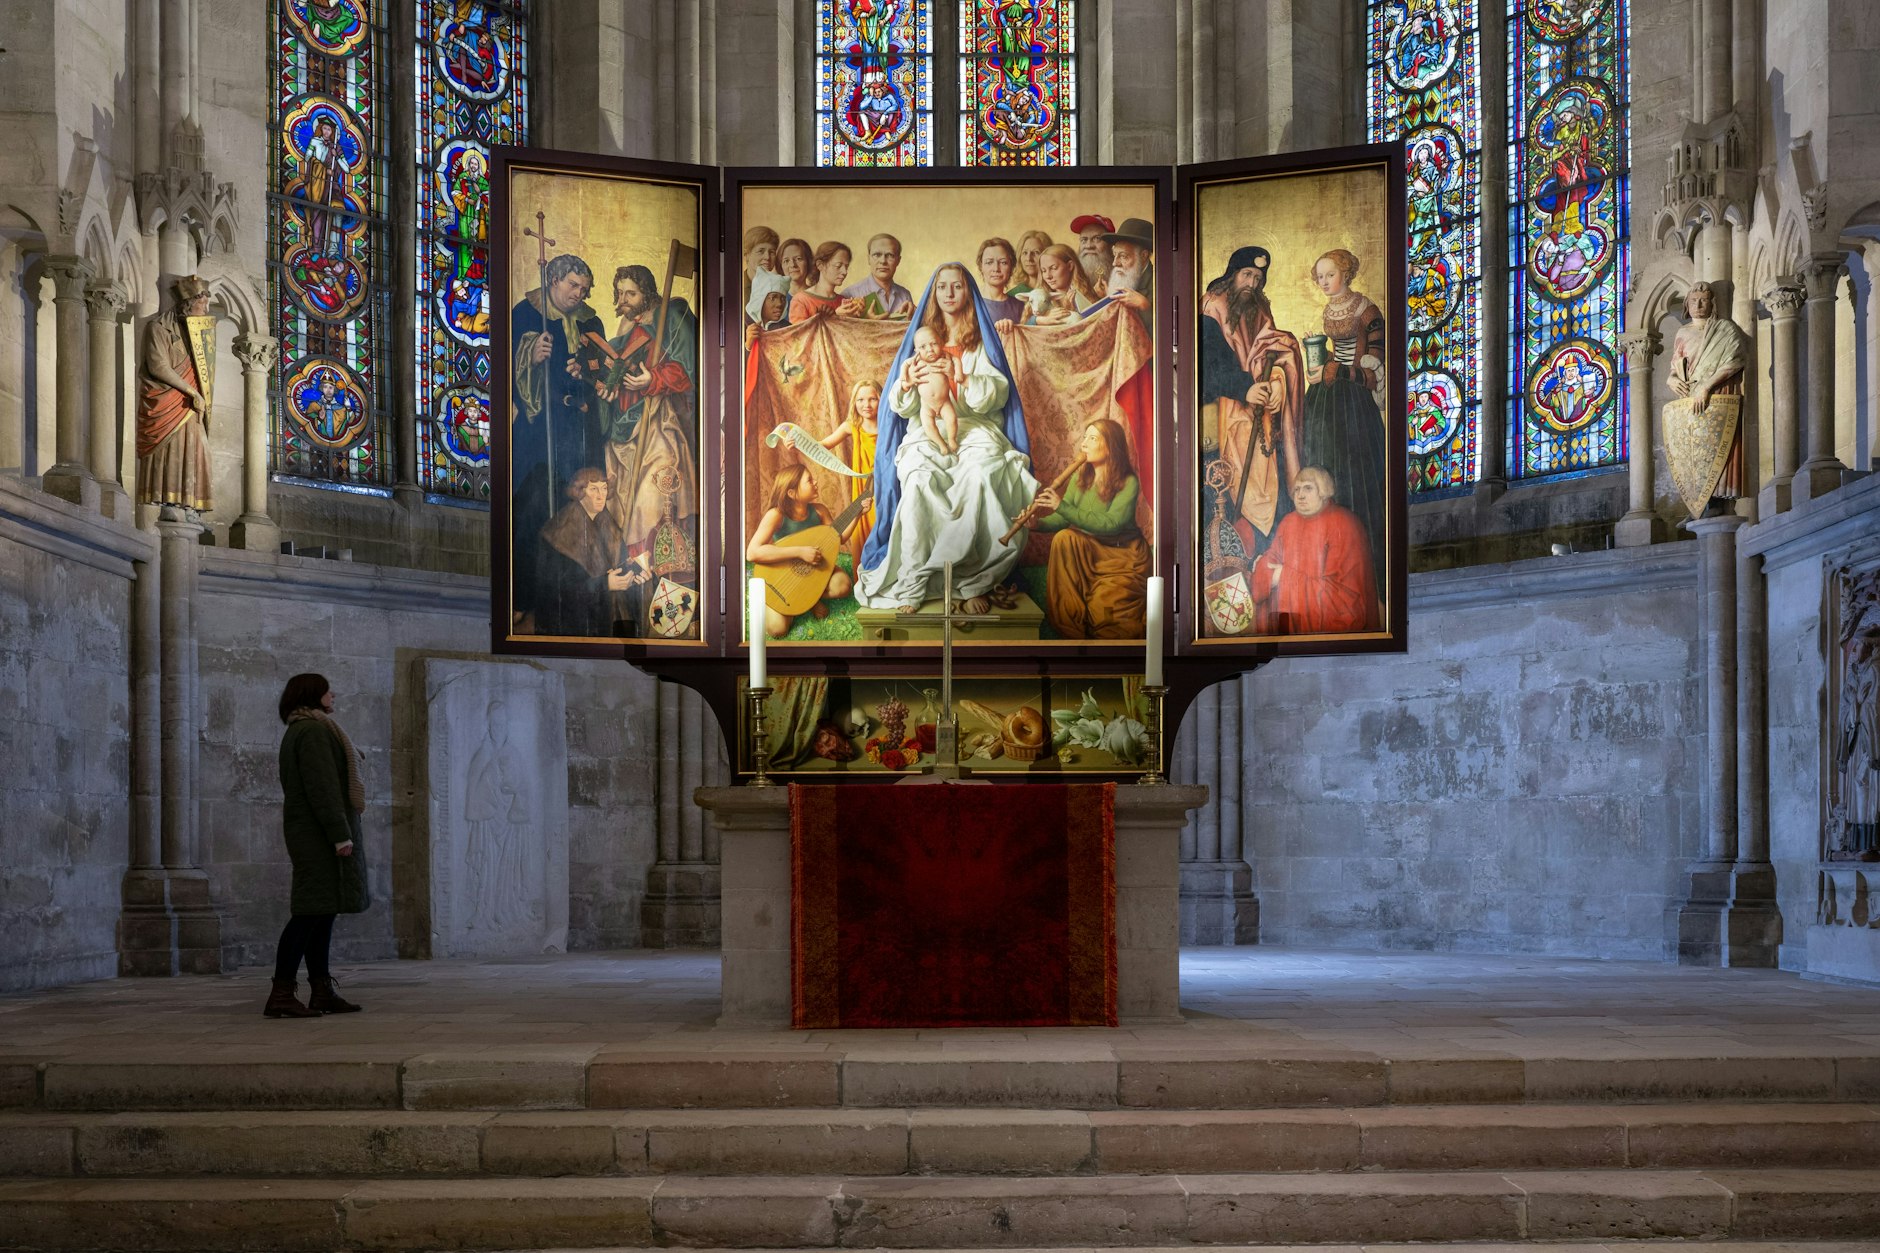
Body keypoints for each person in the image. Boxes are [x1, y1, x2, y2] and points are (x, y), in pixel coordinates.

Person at [856, 263, 1040, 615]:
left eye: (957, 286)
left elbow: (997, 396)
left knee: (982, 474)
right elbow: (901, 404)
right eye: (943, 287)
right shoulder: (921, 339)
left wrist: (964, 379)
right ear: (934, 292)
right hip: (926, 430)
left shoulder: (981, 343)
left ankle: (972, 581)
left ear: (967, 292)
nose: (950, 293)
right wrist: (909, 385)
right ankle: (914, 581)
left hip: (973, 427)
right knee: (919, 479)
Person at [595, 264, 699, 625]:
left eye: (631, 294)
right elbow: (616, 371)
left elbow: (688, 370)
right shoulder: (629, 331)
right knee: (622, 515)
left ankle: (671, 615)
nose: (623, 301)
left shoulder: (673, 317)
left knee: (653, 510)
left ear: (648, 293)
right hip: (625, 435)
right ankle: (639, 612)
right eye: (620, 293)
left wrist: (652, 379)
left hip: (661, 428)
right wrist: (607, 386)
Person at [511, 253, 605, 629]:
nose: (579, 295)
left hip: (577, 430)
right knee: (533, 507)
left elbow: (602, 369)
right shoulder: (525, 313)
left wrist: (586, 368)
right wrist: (530, 358)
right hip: (539, 432)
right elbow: (505, 374)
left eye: (584, 289)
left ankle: (572, 604)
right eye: (572, 286)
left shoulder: (591, 321)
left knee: (577, 513)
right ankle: (524, 598)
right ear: (552, 280)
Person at [268, 673, 368, 1019]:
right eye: (328, 689)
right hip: (317, 836)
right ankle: (281, 993)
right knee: (308, 913)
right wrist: (340, 835)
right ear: (313, 694)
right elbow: (322, 788)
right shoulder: (311, 731)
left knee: (322, 911)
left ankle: (322, 990)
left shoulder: (309, 728)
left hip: (314, 833)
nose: (333, 693)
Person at [1199, 244, 1303, 565]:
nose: (1252, 284)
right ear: (1232, 275)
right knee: (1222, 495)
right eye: (1247, 275)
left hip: (1258, 415)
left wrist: (1274, 388)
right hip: (1219, 417)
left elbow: (1271, 354)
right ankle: (1231, 560)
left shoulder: (1259, 312)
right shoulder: (1211, 309)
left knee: (1270, 472)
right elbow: (1209, 366)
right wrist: (1246, 389)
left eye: (1259, 278)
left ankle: (1265, 556)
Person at [1300, 248, 1387, 601]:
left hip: (1354, 405)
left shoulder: (1368, 311)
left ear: (1346, 274)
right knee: (1324, 465)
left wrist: (1338, 370)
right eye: (1319, 276)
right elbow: (1334, 354)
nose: (1323, 282)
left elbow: (1372, 371)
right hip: (1327, 397)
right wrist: (1319, 364)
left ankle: (1367, 571)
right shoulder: (1328, 310)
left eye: (1329, 275)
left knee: (1357, 477)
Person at [1029, 417, 1149, 639]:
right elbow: (1063, 520)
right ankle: (1070, 627)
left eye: (1092, 438)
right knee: (1064, 538)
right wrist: (1037, 524)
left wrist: (1061, 506)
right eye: (1084, 437)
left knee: (1106, 616)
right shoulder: (1080, 476)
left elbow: (1111, 525)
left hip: (1122, 556)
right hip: (1090, 551)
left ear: (1111, 446)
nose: (1084, 444)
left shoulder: (1128, 482)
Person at [1249, 467, 1379, 635]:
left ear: (1324, 491)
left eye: (1308, 488)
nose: (1300, 495)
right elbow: (1268, 564)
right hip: (1289, 622)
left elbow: (1344, 600)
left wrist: (1283, 577)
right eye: (1297, 489)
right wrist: (1267, 571)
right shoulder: (1288, 522)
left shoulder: (1345, 524)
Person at [1665, 280, 1751, 512]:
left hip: (1718, 395)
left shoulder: (1726, 329)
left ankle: (1721, 503)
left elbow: (1735, 361)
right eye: (1694, 301)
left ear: (1713, 303)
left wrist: (1706, 386)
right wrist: (1671, 379)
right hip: (1691, 401)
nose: (1699, 304)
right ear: (1687, 304)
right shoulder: (1682, 333)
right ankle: (1699, 505)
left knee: (1720, 444)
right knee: (1696, 452)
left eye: (1704, 300)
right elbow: (1676, 366)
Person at [747, 465, 862, 636]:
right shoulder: (776, 515)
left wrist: (857, 514)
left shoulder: (819, 510)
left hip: (814, 572)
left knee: (843, 585)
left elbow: (837, 538)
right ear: (792, 493)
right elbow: (752, 553)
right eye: (809, 480)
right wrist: (799, 552)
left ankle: (807, 601)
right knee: (777, 629)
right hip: (783, 576)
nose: (815, 482)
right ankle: (806, 602)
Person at [137, 274, 215, 513]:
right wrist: (192, 392)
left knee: (198, 450)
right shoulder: (158, 328)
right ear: (188, 303)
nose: (206, 311)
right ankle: (170, 504)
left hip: (191, 405)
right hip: (168, 401)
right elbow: (158, 366)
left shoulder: (194, 336)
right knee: (171, 450)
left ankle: (188, 504)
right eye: (203, 305)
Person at [537, 467, 643, 637]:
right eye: (593, 489)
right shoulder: (559, 532)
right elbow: (558, 589)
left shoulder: (607, 522)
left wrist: (636, 573)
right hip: (578, 628)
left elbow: (619, 562)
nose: (601, 495)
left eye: (604, 488)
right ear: (579, 492)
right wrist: (606, 584)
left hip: (610, 621)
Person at [821, 380, 880, 561]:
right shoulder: (852, 425)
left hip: (885, 483)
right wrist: (797, 443)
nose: (866, 405)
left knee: (883, 521)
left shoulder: (888, 424)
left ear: (882, 399)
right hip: (864, 485)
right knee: (864, 519)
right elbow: (824, 445)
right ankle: (865, 575)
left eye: (872, 399)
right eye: (860, 400)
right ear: (854, 402)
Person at [902, 323, 964, 455]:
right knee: (928, 426)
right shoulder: (916, 360)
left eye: (934, 344)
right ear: (916, 350)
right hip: (927, 406)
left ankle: (952, 440)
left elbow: (956, 360)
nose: (930, 349)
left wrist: (958, 373)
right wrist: (904, 378)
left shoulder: (944, 356)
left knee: (952, 419)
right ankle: (941, 444)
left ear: (941, 343)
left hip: (944, 402)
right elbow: (904, 364)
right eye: (923, 347)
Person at [841, 232, 914, 319]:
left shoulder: (905, 295)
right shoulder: (850, 294)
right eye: (877, 255)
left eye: (890, 255)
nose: (883, 261)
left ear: (898, 260)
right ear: (868, 259)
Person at [1025, 243, 1100, 325]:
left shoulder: (1085, 295)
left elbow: (1097, 325)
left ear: (1070, 266)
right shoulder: (1038, 297)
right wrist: (1037, 320)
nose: (1048, 276)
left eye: (1053, 268)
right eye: (1044, 271)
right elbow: (1023, 329)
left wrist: (1072, 310)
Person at [789, 241, 864, 322]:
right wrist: (836, 316)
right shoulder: (801, 300)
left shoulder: (843, 301)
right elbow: (799, 334)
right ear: (820, 265)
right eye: (838, 266)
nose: (844, 272)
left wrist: (861, 317)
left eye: (846, 266)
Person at [1103, 217, 1156, 331]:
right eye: (1115, 255)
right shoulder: (1122, 276)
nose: (1115, 263)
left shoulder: (1159, 283)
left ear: (1143, 256)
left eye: (1123, 256)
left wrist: (1144, 305)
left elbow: (1169, 330)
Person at [976, 236, 1028, 330]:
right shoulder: (971, 303)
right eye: (989, 262)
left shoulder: (1020, 306)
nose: (996, 269)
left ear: (1011, 267)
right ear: (981, 267)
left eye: (1003, 263)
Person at [741, 225, 780, 323]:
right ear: (747, 255)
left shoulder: (779, 289)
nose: (767, 257)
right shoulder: (736, 288)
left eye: (772, 252)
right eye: (760, 251)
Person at [1070, 213, 1114, 294]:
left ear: (1110, 243)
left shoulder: (1122, 273)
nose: (1089, 246)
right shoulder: (1068, 274)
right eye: (1084, 240)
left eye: (1097, 238)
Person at [745, 268, 793, 341]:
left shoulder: (788, 329)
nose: (779, 304)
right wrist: (748, 345)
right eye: (773, 298)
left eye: (783, 299)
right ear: (759, 300)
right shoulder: (742, 323)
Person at [1010, 229, 1052, 298]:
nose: (1029, 259)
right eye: (1025, 253)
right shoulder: (1013, 295)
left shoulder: (1057, 291)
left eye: (1036, 252)